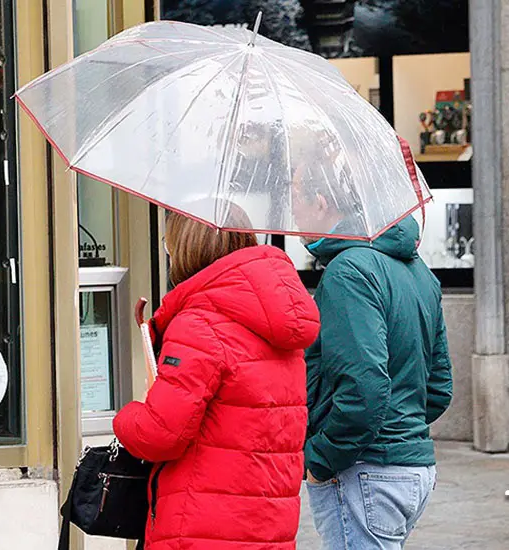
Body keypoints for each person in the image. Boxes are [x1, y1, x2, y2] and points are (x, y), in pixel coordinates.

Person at [113, 204, 321, 550]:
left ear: (186, 248)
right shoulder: (280, 328)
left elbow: (160, 434)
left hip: (203, 526)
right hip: (269, 527)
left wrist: (127, 417)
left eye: (169, 244)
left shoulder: (199, 324)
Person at [292, 167, 453, 549]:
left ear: (321, 202)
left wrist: (320, 459)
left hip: (365, 471)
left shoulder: (348, 272)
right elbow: (438, 388)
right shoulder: (418, 273)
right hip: (409, 468)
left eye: (295, 196)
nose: (291, 210)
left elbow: (365, 390)